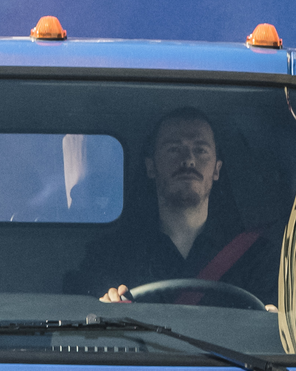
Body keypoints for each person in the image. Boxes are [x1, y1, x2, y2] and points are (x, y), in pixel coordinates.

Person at [69, 107, 279, 308]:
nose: (188, 160)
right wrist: (102, 310)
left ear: (217, 170)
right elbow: (77, 326)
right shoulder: (110, 256)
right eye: (174, 149)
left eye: (200, 150)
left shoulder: (256, 258)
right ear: (151, 167)